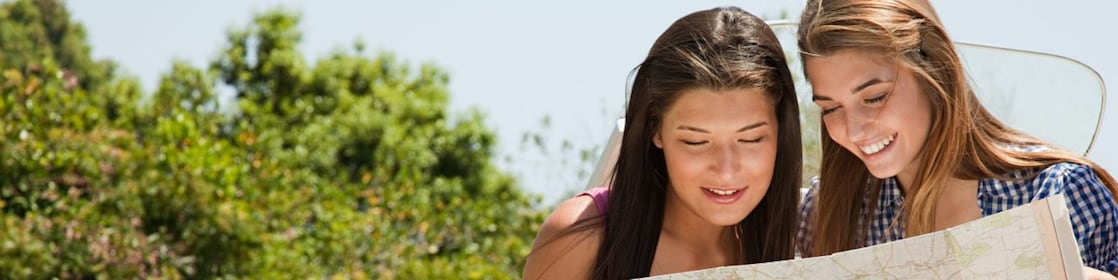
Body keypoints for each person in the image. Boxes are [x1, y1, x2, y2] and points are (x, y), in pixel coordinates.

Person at [794, 0, 1118, 277]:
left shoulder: (1056, 193)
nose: (854, 130)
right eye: (830, 107)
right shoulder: (827, 211)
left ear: (934, 71)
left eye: (875, 97)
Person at [522, 6, 802, 279]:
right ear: (655, 129)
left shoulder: (799, 253)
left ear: (781, 130)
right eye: (695, 141)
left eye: (751, 139)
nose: (726, 170)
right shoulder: (583, 237)